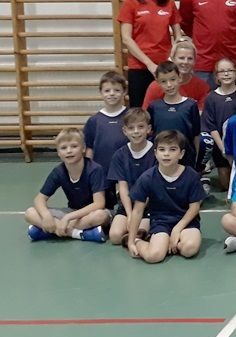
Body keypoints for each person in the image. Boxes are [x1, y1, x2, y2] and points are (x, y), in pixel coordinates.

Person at [127, 131, 207, 263]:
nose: (166, 153)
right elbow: (137, 211)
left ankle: (172, 243)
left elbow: (194, 207)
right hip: (160, 222)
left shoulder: (191, 175)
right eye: (162, 149)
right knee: (154, 256)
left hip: (186, 222)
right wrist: (131, 241)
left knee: (189, 249)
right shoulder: (147, 178)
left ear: (181, 154)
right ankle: (140, 241)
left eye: (172, 149)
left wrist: (177, 229)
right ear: (155, 153)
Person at [25, 128, 109, 243]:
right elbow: (39, 199)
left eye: (74, 146)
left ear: (83, 148)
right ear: (58, 153)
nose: (69, 151)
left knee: (100, 216)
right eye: (63, 148)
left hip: (90, 213)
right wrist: (46, 216)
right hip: (71, 212)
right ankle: (79, 234)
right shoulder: (58, 171)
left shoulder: (94, 169)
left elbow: (99, 204)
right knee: (30, 213)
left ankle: (50, 231)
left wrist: (68, 218)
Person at [118, 0, 181, 105]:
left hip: (165, 68)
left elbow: (178, 36)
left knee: (166, 108)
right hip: (139, 67)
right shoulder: (130, 3)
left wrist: (172, 58)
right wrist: (149, 64)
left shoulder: (169, 3)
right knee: (139, 111)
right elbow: (126, 38)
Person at [107, 108, 156, 245]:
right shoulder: (120, 155)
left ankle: (138, 237)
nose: (136, 131)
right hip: (128, 205)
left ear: (148, 129)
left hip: (149, 206)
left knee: (139, 231)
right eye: (131, 128)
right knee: (115, 236)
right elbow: (122, 188)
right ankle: (134, 237)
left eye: (140, 127)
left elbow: (153, 188)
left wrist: (136, 215)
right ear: (125, 131)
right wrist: (130, 215)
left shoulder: (156, 153)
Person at [84, 71, 128, 207]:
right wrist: (89, 169)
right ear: (101, 92)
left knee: (126, 204)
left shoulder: (130, 116)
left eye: (117, 90)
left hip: (126, 170)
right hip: (102, 171)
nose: (112, 94)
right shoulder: (94, 120)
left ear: (124, 92)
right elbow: (89, 147)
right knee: (104, 206)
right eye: (107, 90)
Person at [147, 61, 201, 168]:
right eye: (163, 81)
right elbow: (149, 134)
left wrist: (197, 159)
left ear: (179, 78)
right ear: (157, 82)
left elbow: (196, 135)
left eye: (172, 79)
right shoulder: (154, 107)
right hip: (161, 161)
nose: (169, 85)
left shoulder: (190, 105)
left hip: (186, 160)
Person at [200, 58, 236, 187]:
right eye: (222, 71)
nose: (226, 74)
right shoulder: (211, 97)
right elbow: (210, 126)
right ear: (216, 76)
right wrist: (223, 148)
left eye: (230, 70)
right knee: (226, 184)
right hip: (220, 145)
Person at [142, 39, 210, 109]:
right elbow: (146, 113)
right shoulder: (156, 86)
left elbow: (201, 113)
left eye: (190, 58)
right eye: (181, 58)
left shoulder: (202, 87)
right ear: (172, 59)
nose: (185, 62)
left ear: (195, 61)